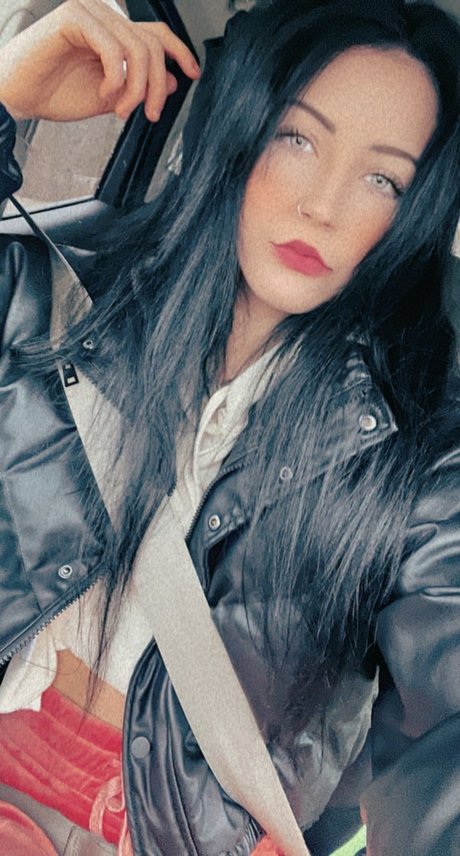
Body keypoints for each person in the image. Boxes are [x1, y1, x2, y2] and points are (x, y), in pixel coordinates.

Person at [0, 0, 458, 853]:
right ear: (237, 126)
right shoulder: (51, 305)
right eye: (298, 138)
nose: (323, 206)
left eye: (383, 180)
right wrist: (3, 101)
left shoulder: (418, 457)